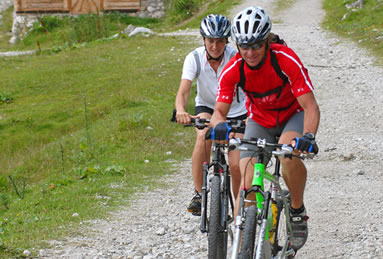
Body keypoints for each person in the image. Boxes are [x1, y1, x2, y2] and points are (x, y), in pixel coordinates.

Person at [209, 6, 320, 251]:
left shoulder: (285, 59)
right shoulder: (234, 68)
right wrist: (220, 127)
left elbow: (310, 106)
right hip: (260, 120)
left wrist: (309, 136)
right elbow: (219, 112)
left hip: (292, 115)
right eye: (244, 46)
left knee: (289, 156)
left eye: (256, 45)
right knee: (245, 183)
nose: (250, 52)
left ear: (267, 41)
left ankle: (297, 210)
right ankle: (242, 244)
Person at [174, 14, 247, 216]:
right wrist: (181, 110)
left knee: (235, 162)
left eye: (220, 41)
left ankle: (240, 210)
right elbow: (183, 91)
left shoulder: (236, 58)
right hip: (206, 106)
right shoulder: (194, 58)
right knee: (202, 136)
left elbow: (250, 88)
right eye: (210, 40)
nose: (215, 46)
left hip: (235, 110)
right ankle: (198, 193)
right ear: (203, 39)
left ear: (227, 41)